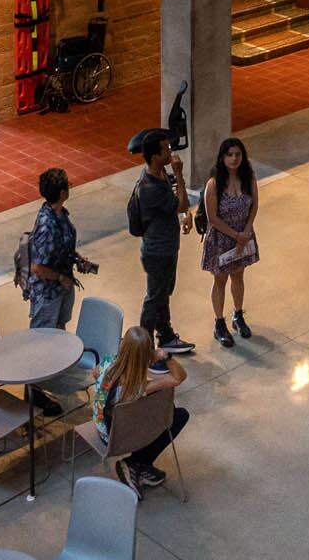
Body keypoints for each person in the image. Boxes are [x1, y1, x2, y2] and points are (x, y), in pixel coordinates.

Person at [27, 168, 95, 417]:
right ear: (63, 192)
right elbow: (37, 267)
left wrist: (77, 259)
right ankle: (34, 390)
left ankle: (55, 375)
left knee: (58, 331)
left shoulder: (60, 214)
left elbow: (63, 246)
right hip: (48, 292)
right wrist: (61, 278)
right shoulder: (46, 224)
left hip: (62, 286)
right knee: (41, 338)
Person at [95, 325, 190, 493]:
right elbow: (179, 377)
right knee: (177, 415)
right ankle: (136, 463)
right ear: (148, 355)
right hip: (119, 440)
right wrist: (166, 357)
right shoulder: (139, 387)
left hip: (102, 427)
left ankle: (139, 466)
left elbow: (94, 374)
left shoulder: (106, 363)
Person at [128, 129, 195, 357]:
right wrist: (179, 172)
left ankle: (165, 335)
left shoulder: (159, 173)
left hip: (165, 245)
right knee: (155, 295)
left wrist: (185, 214)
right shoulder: (150, 187)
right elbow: (182, 204)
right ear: (155, 156)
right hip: (158, 250)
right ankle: (143, 347)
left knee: (163, 292)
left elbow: (179, 204)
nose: (170, 152)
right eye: (166, 149)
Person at [201, 136, 260, 349]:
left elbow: (254, 205)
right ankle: (219, 323)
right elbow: (213, 218)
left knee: (238, 275)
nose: (234, 159)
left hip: (243, 236)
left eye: (238, 154)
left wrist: (246, 232)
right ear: (222, 157)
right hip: (222, 238)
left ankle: (238, 315)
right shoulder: (214, 183)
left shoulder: (248, 177)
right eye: (230, 155)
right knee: (220, 280)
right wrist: (237, 236)